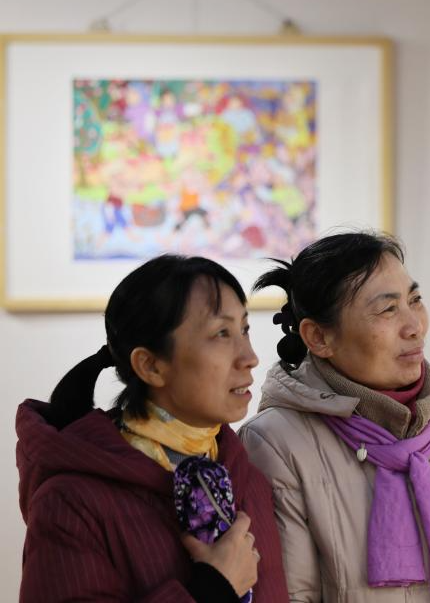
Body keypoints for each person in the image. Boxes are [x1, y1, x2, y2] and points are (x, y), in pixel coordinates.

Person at [240, 232, 430, 602]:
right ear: (318, 337)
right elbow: (292, 594)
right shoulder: (277, 444)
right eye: (387, 310)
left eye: (414, 300)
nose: (414, 326)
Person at [16, 255, 288, 602]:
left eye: (244, 330)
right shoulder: (70, 503)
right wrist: (211, 590)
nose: (249, 357)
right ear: (150, 366)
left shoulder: (247, 479)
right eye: (221, 333)